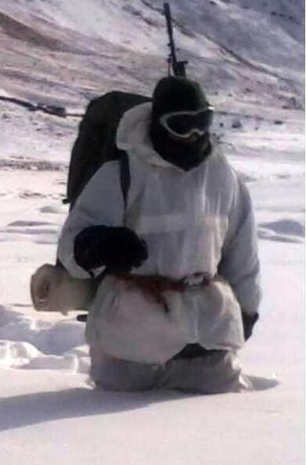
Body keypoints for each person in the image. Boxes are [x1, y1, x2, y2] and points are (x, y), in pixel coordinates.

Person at [57, 76, 261, 393]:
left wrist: (247, 309)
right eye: (181, 124)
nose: (194, 135)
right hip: (130, 341)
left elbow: (241, 253)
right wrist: (97, 245)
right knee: (118, 436)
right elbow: (71, 246)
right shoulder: (120, 173)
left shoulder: (223, 177)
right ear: (158, 123)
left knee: (217, 432)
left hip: (205, 337)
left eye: (202, 122)